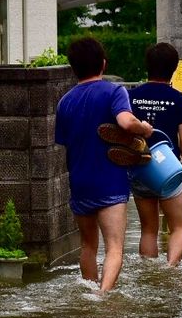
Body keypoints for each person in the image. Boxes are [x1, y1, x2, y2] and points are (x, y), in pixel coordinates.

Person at [55, 37, 153, 292]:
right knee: (114, 248)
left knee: (88, 246)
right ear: (103, 64)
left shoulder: (64, 102)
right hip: (109, 181)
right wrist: (144, 128)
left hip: (79, 182)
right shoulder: (114, 91)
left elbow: (64, 142)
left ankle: (89, 291)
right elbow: (126, 122)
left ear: (73, 68)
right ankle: (102, 296)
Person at [126, 42, 182, 266]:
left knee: (148, 230)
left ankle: (149, 272)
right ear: (174, 68)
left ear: (147, 66)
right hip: (169, 169)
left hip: (140, 167)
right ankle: (170, 269)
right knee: (179, 229)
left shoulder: (130, 96)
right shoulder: (180, 100)